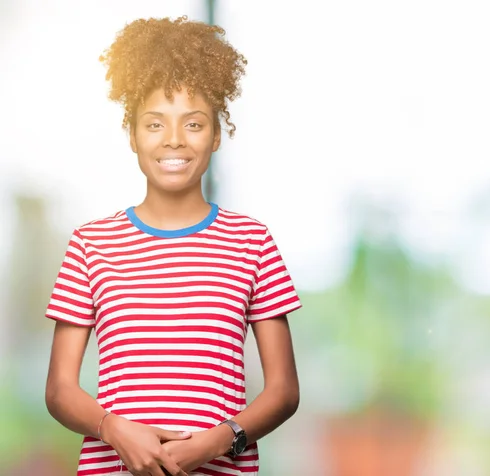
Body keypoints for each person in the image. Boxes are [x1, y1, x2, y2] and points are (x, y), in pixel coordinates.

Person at [44, 16, 302, 476]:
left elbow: (283, 391)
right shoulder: (91, 244)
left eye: (195, 123)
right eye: (155, 123)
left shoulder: (252, 242)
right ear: (132, 136)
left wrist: (218, 442)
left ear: (218, 135)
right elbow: (60, 390)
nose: (174, 139)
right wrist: (114, 430)